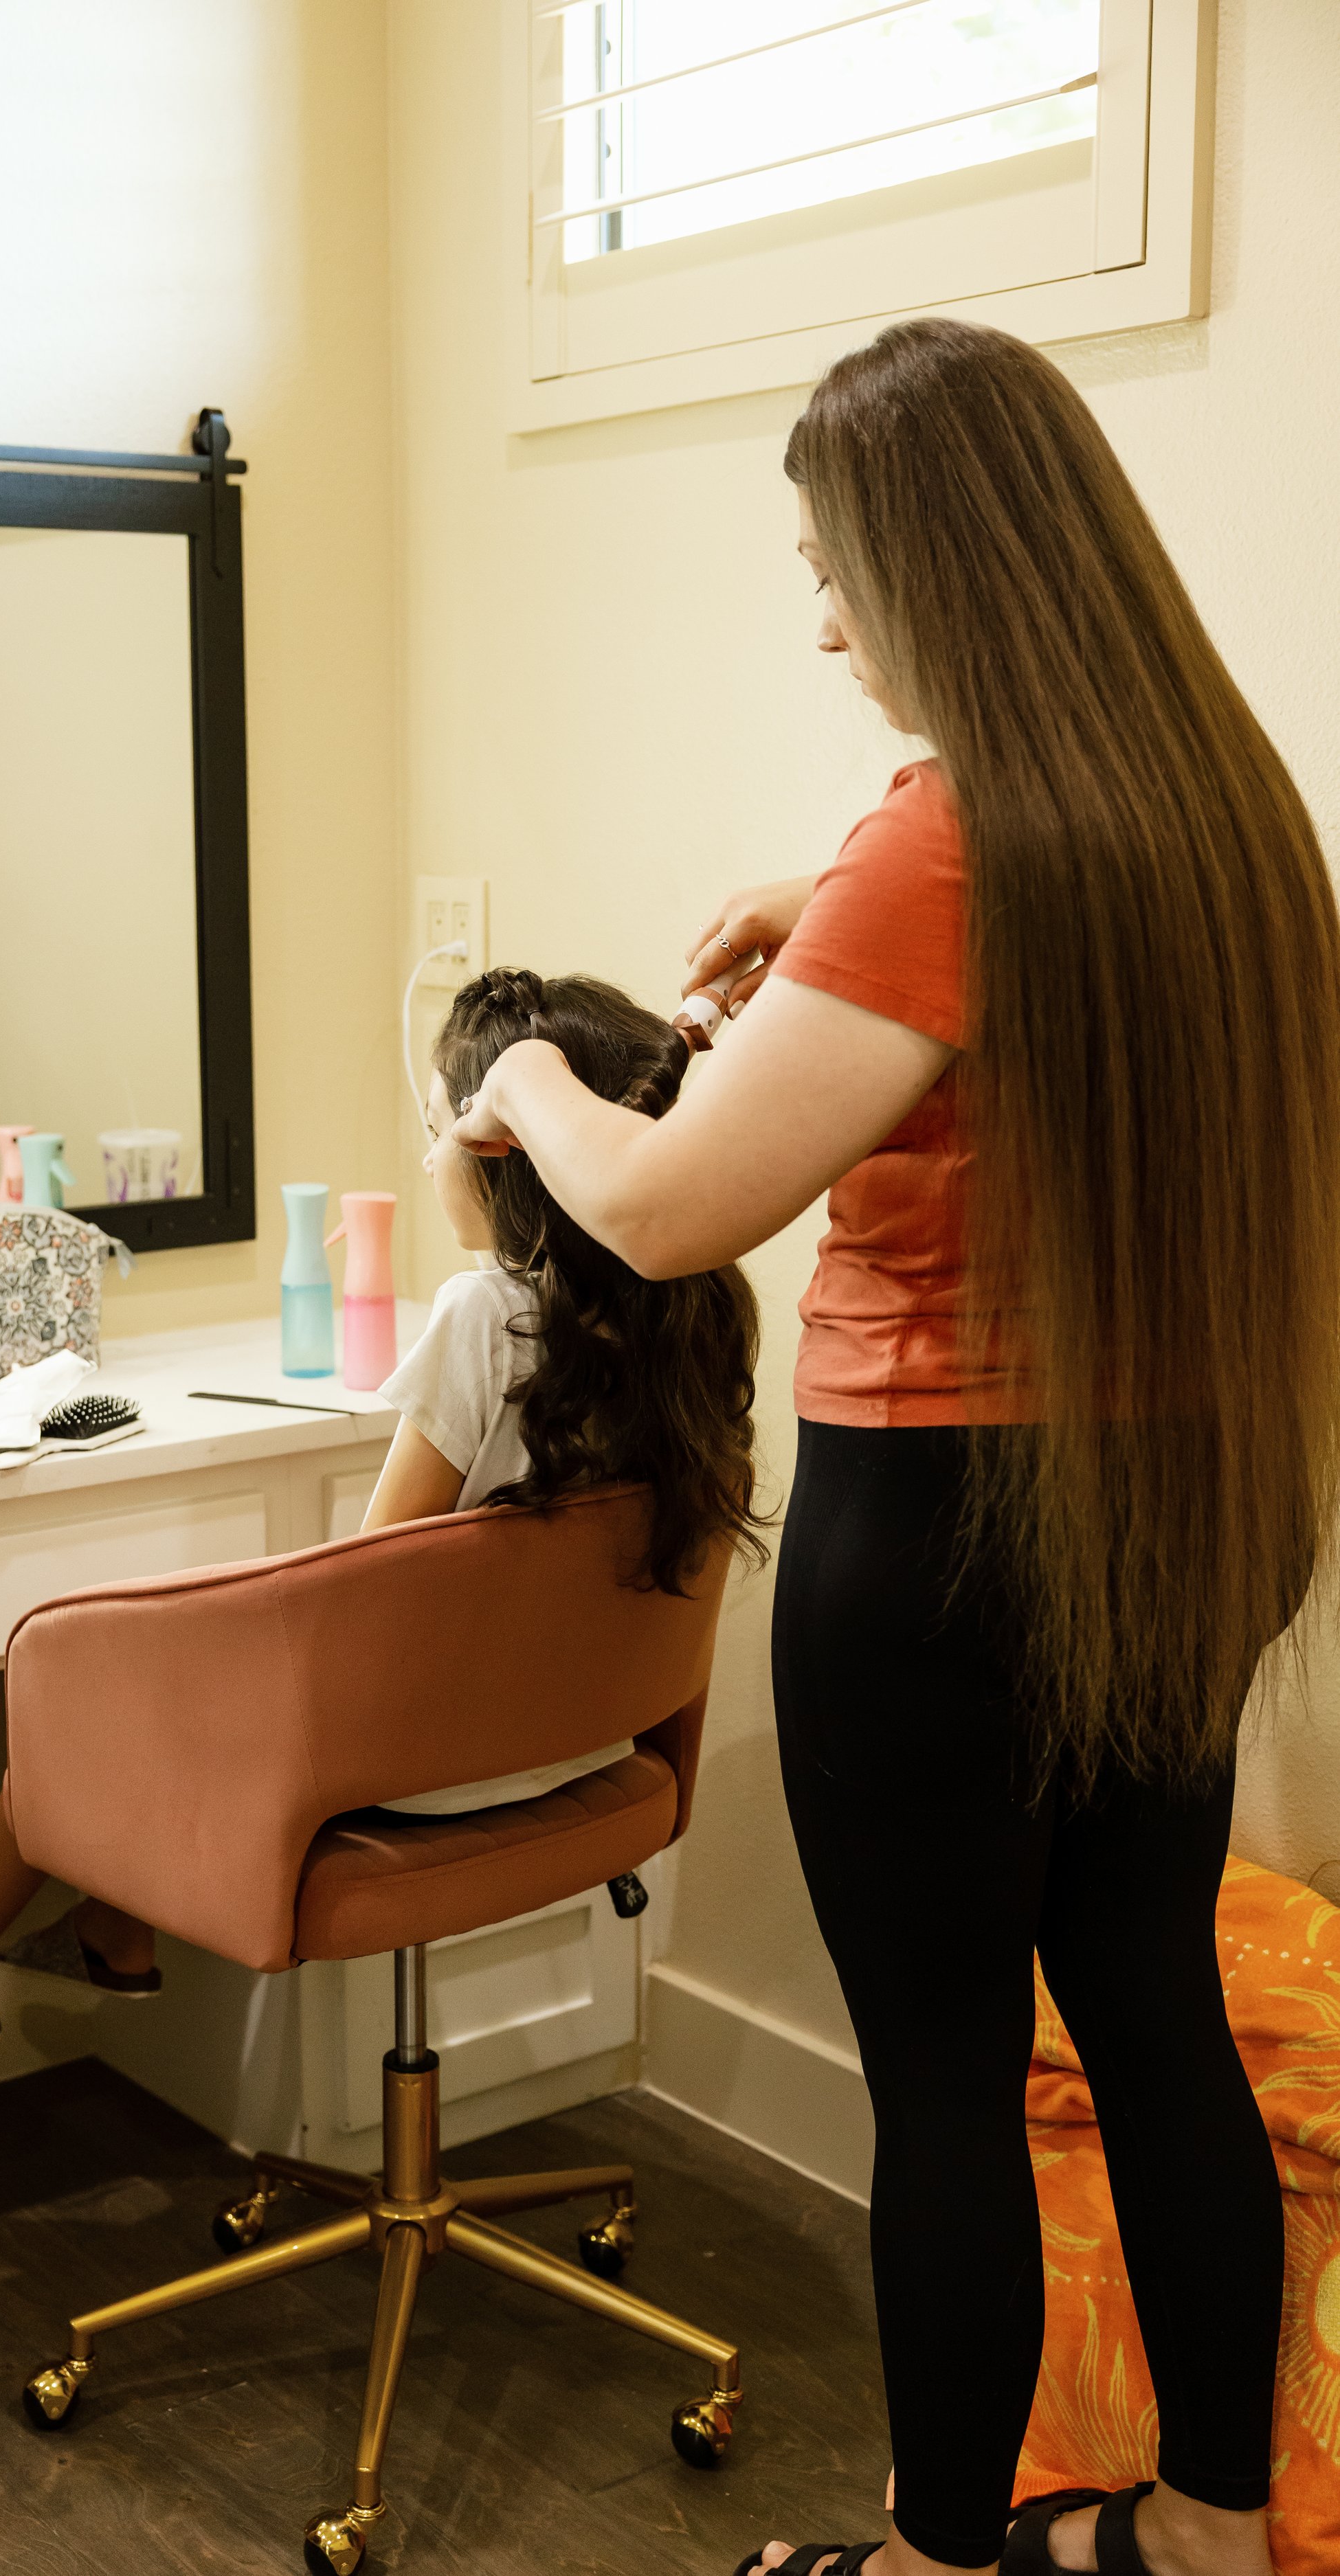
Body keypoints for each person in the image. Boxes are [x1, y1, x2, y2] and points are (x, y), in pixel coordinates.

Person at [449, 318, 1340, 2576]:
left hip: (944, 1541)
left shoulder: (948, 845)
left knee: (945, 2078)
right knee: (1152, 2015)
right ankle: (1217, 2540)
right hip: (1186, 1501)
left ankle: (945, 2560)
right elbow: (1027, 1003)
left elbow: (667, 1207)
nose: (826, 621)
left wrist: (525, 1089)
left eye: (841, 570)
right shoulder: (1219, 812)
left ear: (948, 570)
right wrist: (826, 908)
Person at [0, 969, 761, 2052]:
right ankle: (113, 1932)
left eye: (436, 1129)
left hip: (428, 1777)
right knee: (175, 1691)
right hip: (588, 1747)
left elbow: (371, 1592)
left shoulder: (485, 1315)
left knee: (78, 1710)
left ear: (507, 1149)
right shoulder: (697, 1321)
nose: (426, 1160)